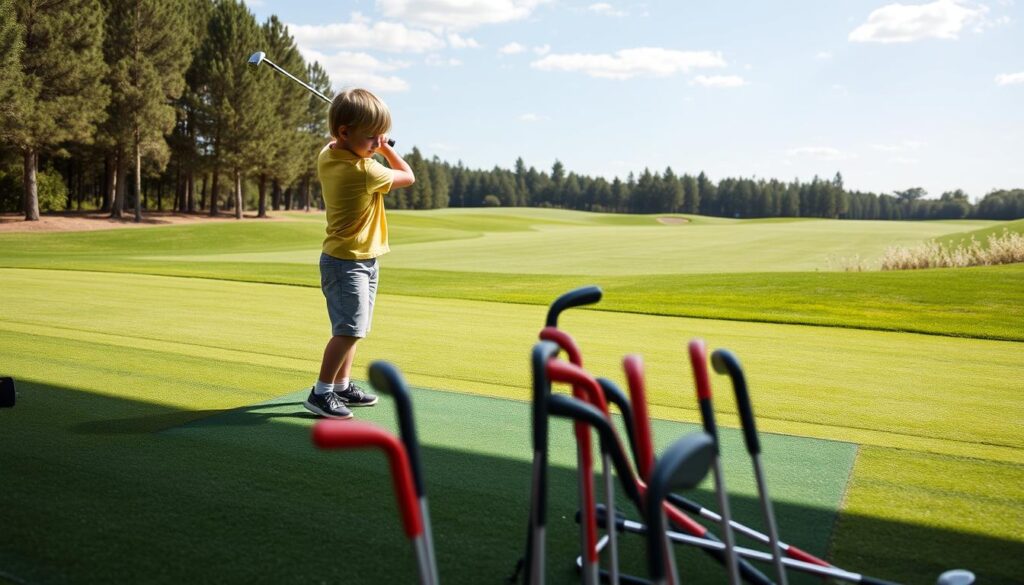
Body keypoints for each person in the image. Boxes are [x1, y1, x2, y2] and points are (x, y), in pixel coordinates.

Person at [304, 88, 415, 419]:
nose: (378, 140)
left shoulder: (328, 155)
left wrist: (365, 137)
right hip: (347, 262)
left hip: (359, 258)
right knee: (349, 329)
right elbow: (408, 177)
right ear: (344, 132)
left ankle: (341, 385)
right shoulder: (365, 171)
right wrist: (388, 152)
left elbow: (334, 144)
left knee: (355, 327)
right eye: (373, 136)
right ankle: (321, 392)